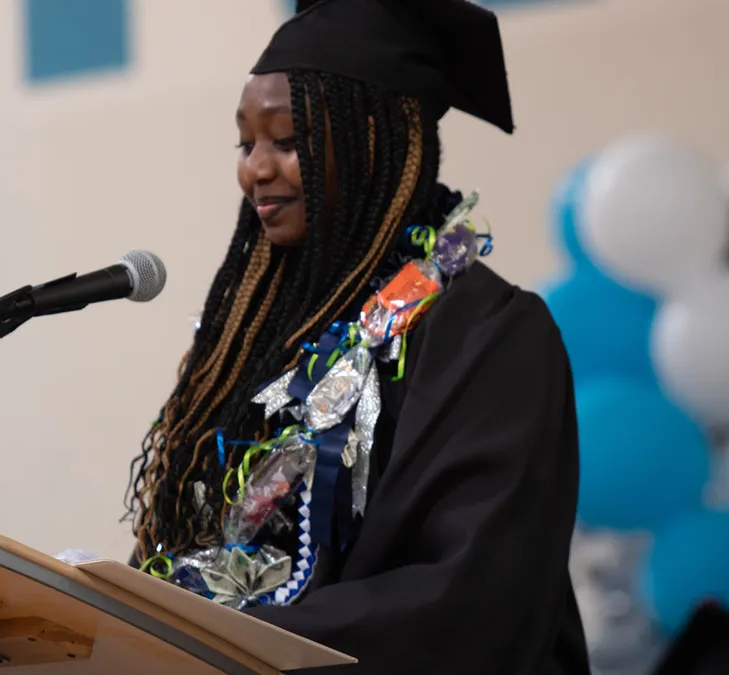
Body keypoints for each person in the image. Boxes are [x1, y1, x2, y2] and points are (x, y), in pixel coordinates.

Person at [122, 0, 590, 672]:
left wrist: (230, 636)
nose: (255, 169)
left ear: (375, 141)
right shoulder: (250, 341)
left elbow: (471, 598)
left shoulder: (488, 334)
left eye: (286, 141)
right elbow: (197, 545)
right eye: (245, 143)